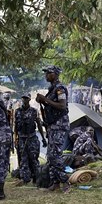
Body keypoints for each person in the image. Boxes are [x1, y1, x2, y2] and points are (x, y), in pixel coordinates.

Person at [35, 65, 71, 193]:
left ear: (55, 74)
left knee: (54, 155)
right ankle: (55, 183)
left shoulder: (60, 89)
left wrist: (45, 100)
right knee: (50, 156)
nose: (46, 75)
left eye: (48, 73)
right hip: (52, 125)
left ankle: (65, 181)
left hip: (59, 125)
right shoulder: (52, 89)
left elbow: (62, 106)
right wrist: (43, 101)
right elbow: (51, 107)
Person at [14, 93, 46, 186]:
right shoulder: (17, 111)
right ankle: (25, 179)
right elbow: (16, 126)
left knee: (34, 159)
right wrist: (15, 139)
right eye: (23, 98)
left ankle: (37, 179)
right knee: (23, 159)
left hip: (32, 137)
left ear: (29, 99)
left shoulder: (34, 111)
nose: (24, 100)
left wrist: (43, 138)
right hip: (21, 138)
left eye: (26, 98)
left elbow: (39, 124)